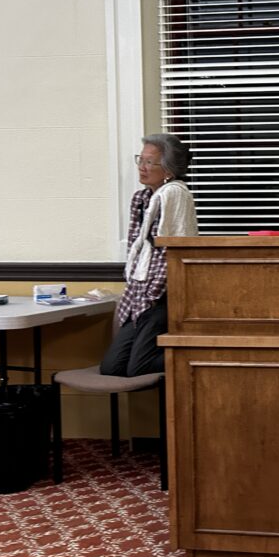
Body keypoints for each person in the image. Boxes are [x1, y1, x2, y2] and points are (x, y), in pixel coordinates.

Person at [100, 133, 198, 378]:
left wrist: (152, 294)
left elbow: (172, 250)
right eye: (140, 160)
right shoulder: (142, 198)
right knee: (112, 369)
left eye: (149, 162)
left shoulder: (174, 193)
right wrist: (135, 291)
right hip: (139, 292)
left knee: (139, 367)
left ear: (167, 168)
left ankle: (200, 353)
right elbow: (137, 246)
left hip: (162, 295)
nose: (142, 168)